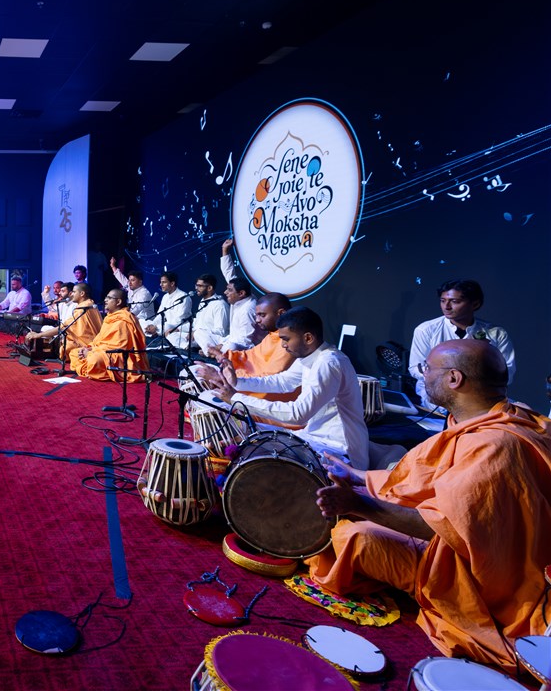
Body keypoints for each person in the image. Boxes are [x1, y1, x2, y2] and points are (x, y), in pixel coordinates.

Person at [308, 339, 551, 670]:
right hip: (474, 544)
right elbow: (426, 480)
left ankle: (433, 591)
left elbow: (440, 526)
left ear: (454, 379)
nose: (422, 375)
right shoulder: (507, 416)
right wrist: (359, 477)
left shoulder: (494, 445)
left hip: (484, 576)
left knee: (353, 537)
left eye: (427, 368)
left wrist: (359, 505)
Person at [210, 307, 369, 469]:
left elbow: (298, 414)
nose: (283, 345)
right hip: (312, 437)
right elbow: (282, 382)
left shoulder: (328, 363)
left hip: (338, 449)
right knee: (246, 428)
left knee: (262, 457)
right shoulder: (313, 357)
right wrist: (237, 382)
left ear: (308, 338)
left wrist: (236, 399)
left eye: (286, 339)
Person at [408, 279, 516, 409]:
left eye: (454, 301)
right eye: (443, 301)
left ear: (475, 304)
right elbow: (416, 368)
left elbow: (507, 372)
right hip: (438, 395)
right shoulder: (426, 330)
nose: (446, 306)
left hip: (482, 395)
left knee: (517, 412)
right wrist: (450, 380)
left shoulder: (496, 333)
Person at [196, 293, 294, 401]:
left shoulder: (289, 342)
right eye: (257, 315)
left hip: (269, 400)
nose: (257, 320)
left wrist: (224, 378)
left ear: (281, 313)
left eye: (262, 315)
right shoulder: (273, 335)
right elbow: (251, 355)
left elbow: (269, 379)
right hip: (249, 383)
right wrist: (224, 356)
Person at [74, 288, 148, 381]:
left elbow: (119, 347)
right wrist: (89, 348)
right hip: (102, 351)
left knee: (94, 360)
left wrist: (91, 352)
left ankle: (100, 369)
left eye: (109, 298)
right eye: (106, 297)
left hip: (118, 357)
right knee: (75, 352)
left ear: (118, 302)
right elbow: (100, 340)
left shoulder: (124, 319)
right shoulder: (109, 317)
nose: (105, 300)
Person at [171, 274, 229, 352]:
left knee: (198, 334)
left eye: (200, 286)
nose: (196, 288)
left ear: (209, 288)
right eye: (196, 285)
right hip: (196, 337)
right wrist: (178, 329)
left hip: (209, 338)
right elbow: (196, 324)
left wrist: (197, 333)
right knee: (172, 334)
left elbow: (221, 332)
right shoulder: (203, 302)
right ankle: (188, 347)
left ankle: (192, 347)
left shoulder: (220, 305)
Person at [218, 238, 258, 349]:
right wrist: (225, 250)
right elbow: (228, 272)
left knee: (231, 347)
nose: (225, 292)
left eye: (229, 290)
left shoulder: (249, 309)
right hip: (230, 339)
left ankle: (216, 353)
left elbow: (245, 341)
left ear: (241, 293)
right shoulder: (239, 294)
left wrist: (222, 347)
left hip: (244, 348)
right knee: (201, 333)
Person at [109, 258, 156, 328]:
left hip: (144, 322)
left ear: (140, 282)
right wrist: (113, 266)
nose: (129, 283)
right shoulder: (132, 288)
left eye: (133, 280)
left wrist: (121, 315)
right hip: (133, 319)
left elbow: (136, 310)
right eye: (129, 280)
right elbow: (121, 278)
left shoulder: (144, 294)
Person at [145, 272, 191, 340]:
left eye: (164, 282)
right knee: (143, 322)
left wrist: (157, 327)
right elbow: (160, 315)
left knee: (167, 326)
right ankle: (153, 332)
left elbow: (179, 320)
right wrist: (153, 324)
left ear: (172, 283)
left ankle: (154, 333)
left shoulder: (183, 297)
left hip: (179, 327)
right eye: (161, 282)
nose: (161, 284)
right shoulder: (165, 297)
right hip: (166, 326)